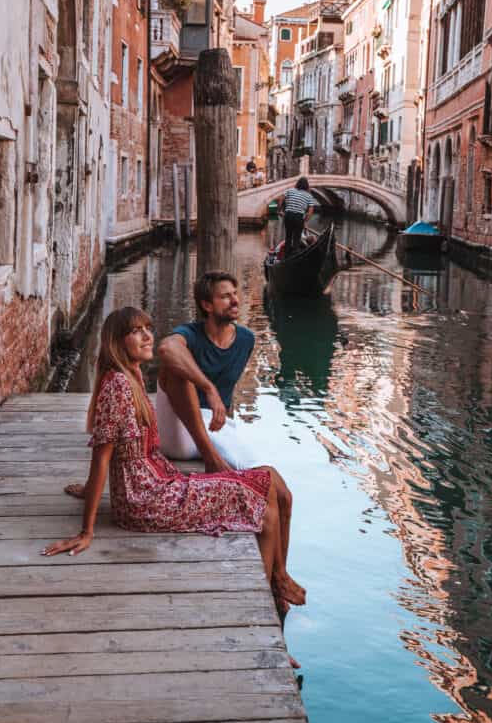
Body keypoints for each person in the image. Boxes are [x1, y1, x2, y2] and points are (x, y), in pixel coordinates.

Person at [45, 306, 305, 635]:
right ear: (116, 341)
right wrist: (86, 531)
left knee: (268, 480)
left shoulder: (132, 376)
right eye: (136, 331)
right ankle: (272, 604)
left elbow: (112, 453)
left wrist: (87, 489)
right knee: (264, 491)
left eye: (148, 328)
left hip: (160, 485)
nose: (147, 336)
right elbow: (102, 458)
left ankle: (277, 583)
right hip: (148, 499)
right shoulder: (118, 388)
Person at [155, 271, 258, 472]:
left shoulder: (246, 339)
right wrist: (208, 388)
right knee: (175, 369)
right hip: (181, 433)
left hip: (217, 429)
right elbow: (167, 348)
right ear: (207, 305)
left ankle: (216, 456)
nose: (235, 301)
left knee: (264, 476)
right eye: (225, 297)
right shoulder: (191, 334)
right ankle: (212, 460)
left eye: (235, 294)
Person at [280, 176, 315, 257]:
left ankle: (286, 256)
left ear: (297, 183)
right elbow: (310, 211)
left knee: (288, 236)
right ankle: (294, 255)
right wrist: (305, 220)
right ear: (307, 186)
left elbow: (281, 198)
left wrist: (280, 210)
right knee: (297, 237)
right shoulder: (309, 196)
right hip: (299, 217)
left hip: (288, 215)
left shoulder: (290, 190)